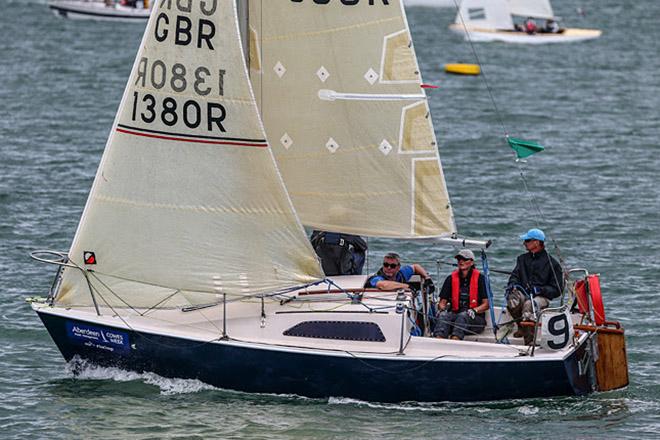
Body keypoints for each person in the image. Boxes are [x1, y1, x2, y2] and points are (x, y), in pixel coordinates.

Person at [506, 228, 564, 345]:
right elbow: (514, 276)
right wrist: (512, 284)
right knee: (512, 300)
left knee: (529, 305)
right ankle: (521, 327)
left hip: (542, 298)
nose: (524, 243)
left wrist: (540, 290)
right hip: (524, 293)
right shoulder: (521, 259)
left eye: (527, 241)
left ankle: (529, 341)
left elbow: (557, 290)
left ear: (536, 243)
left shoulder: (553, 264)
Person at [433, 249, 489, 340]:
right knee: (444, 316)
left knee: (463, 316)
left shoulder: (481, 279)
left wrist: (475, 310)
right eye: (459, 259)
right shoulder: (450, 278)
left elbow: (486, 304)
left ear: (471, 262)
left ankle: (455, 340)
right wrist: (441, 309)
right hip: (455, 315)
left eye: (464, 259)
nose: (461, 261)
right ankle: (438, 340)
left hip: (475, 318)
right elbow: (442, 302)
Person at [365, 252, 432, 291]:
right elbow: (383, 285)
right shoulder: (376, 278)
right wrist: (407, 286)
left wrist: (427, 278)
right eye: (386, 265)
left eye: (392, 266)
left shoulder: (402, 273)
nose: (388, 268)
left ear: (398, 267)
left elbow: (415, 267)